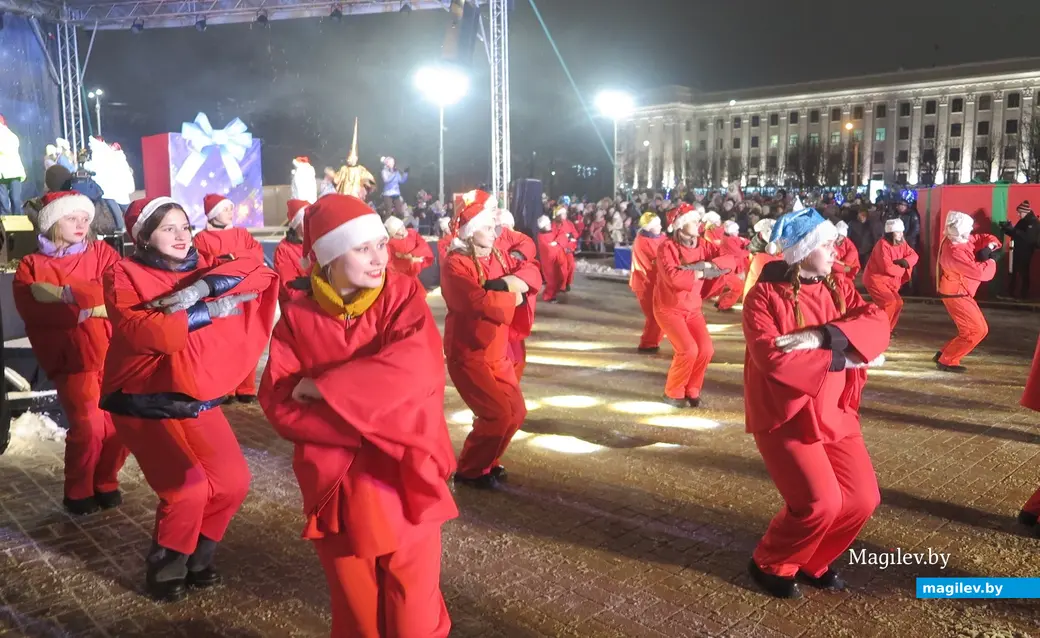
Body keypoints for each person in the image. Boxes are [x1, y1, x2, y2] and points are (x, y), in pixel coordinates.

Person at [259, 194, 457, 637]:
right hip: (338, 487)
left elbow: (417, 372)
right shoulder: (296, 318)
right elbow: (278, 402)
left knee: (413, 614)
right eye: (362, 248)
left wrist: (325, 389)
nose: (378, 258)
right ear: (329, 256)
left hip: (404, 475)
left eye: (381, 245)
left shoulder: (403, 296)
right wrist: (370, 415)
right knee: (357, 615)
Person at [102, 196, 278, 601]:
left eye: (185, 226)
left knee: (233, 481)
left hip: (193, 392)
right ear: (144, 236)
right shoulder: (122, 273)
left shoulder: (200, 263)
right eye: (168, 228)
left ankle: (199, 556)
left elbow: (258, 267)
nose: (181, 236)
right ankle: (166, 565)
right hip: (140, 397)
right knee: (188, 487)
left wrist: (206, 285)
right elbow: (144, 332)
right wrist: (205, 312)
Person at [743, 207, 889, 599]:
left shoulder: (837, 285)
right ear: (802, 250)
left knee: (862, 498)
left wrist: (823, 337)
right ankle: (771, 563)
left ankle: (813, 559)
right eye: (825, 243)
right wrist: (847, 353)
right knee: (820, 502)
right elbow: (772, 358)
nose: (835, 248)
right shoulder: (762, 296)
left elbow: (876, 320)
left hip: (835, 412)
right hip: (786, 415)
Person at [13, 191, 128, 515]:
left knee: (121, 426)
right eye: (71, 218)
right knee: (90, 428)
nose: (81, 224)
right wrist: (91, 308)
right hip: (74, 360)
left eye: (85, 219)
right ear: (52, 222)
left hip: (115, 354)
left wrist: (67, 294)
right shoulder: (31, 265)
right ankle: (78, 489)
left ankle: (106, 480)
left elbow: (118, 293)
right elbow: (34, 312)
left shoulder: (103, 252)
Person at [441, 190, 540, 489]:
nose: (493, 231)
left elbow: (532, 269)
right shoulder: (455, 264)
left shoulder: (496, 254)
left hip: (497, 354)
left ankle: (487, 462)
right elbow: (476, 301)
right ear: (470, 234)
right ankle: (470, 471)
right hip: (469, 354)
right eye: (485, 227)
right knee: (496, 415)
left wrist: (506, 284)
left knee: (516, 413)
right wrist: (514, 292)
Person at [653, 203, 733, 408]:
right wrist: (704, 269)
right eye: (693, 220)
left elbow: (730, 259)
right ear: (680, 225)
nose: (699, 223)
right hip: (669, 308)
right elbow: (675, 279)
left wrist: (699, 268)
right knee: (688, 349)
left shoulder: (703, 245)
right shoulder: (666, 247)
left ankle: (692, 388)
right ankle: (673, 391)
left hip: (693, 309)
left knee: (706, 349)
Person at [193, 194, 267, 402]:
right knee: (222, 344)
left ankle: (246, 387)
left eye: (230, 209)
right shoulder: (201, 238)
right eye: (225, 209)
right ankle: (225, 388)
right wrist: (227, 262)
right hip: (221, 298)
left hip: (245, 296)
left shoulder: (242, 234)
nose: (230, 213)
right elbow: (202, 264)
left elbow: (256, 255)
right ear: (214, 213)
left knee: (246, 340)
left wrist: (233, 260)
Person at [935, 211, 1000, 373]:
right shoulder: (954, 253)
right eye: (968, 229)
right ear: (960, 229)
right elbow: (982, 273)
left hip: (958, 292)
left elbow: (982, 238)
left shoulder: (959, 240)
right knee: (977, 329)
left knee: (969, 329)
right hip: (957, 294)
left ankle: (944, 353)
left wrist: (990, 246)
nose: (971, 232)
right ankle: (948, 360)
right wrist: (991, 259)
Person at [862, 219, 918, 334]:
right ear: (890, 233)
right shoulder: (882, 245)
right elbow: (887, 268)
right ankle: (880, 331)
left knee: (898, 303)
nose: (901, 234)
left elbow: (914, 255)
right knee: (889, 303)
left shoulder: (902, 243)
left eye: (902, 231)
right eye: (898, 232)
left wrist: (904, 261)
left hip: (888, 281)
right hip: (876, 279)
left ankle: (888, 330)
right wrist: (903, 269)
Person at [629, 211, 666, 352]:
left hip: (657, 282)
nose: (661, 227)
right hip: (645, 283)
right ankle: (647, 343)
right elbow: (655, 261)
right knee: (654, 315)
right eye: (657, 225)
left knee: (659, 314)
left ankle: (651, 342)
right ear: (649, 227)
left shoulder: (660, 237)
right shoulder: (642, 242)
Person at [1000, 200, 1039, 299]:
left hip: (1026, 250)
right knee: (1014, 271)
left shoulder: (1033, 222)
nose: (1018, 214)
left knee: (1023, 272)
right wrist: (1007, 229)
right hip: (1018, 249)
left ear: (1025, 212)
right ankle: (1011, 293)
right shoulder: (1023, 221)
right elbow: (1016, 233)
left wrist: (1013, 230)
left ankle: (1023, 295)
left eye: (1019, 212)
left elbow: (1029, 238)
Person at [273, 199, 310, 304]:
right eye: (304, 219)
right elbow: (290, 289)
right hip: (297, 308)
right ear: (295, 224)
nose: (309, 222)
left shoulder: (317, 244)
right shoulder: (283, 249)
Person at [713, 220, 750, 311]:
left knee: (734, 287)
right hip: (727, 268)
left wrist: (747, 243)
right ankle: (724, 305)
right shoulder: (728, 241)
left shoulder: (730, 237)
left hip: (730, 267)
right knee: (738, 288)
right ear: (731, 231)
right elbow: (740, 254)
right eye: (736, 230)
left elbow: (743, 240)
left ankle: (720, 302)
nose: (738, 232)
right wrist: (750, 250)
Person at [335, 120, 376, 200]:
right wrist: (332, 175)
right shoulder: (344, 169)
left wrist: (366, 183)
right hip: (344, 196)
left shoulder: (360, 170)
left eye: (352, 157)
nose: (350, 159)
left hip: (355, 197)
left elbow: (369, 179)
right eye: (349, 157)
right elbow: (336, 179)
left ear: (356, 158)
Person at [385, 216, 434, 280]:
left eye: (402, 225)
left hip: (422, 271)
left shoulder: (412, 233)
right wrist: (409, 261)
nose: (403, 228)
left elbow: (423, 245)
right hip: (403, 277)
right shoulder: (390, 244)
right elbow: (391, 263)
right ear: (394, 233)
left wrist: (411, 255)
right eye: (399, 229)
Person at [0, 115, 26, 216]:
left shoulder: (10, 135)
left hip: (13, 171)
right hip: (3, 173)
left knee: (14, 200)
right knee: (4, 202)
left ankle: (18, 225)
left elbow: (10, 147)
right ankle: (5, 227)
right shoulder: (11, 135)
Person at [536, 215, 565, 303]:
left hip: (556, 260)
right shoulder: (541, 237)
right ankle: (549, 296)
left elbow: (561, 234)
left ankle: (552, 294)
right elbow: (548, 250)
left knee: (559, 278)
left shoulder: (551, 232)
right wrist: (558, 245)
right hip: (549, 262)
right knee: (552, 280)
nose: (550, 224)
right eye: (548, 223)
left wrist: (557, 243)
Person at [552, 206, 579, 292]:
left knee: (571, 266)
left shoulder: (569, 223)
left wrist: (571, 238)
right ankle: (562, 285)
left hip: (568, 249)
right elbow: (553, 237)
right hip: (560, 250)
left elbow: (575, 234)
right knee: (563, 269)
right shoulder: (554, 224)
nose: (565, 215)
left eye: (565, 213)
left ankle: (567, 283)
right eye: (563, 213)